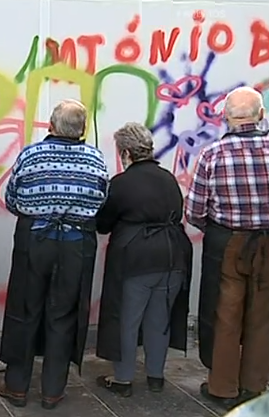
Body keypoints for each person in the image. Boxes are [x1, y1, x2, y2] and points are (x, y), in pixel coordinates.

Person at [0, 100, 108, 410]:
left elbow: (12, 198)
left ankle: (17, 387)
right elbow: (101, 201)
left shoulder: (31, 154)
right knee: (63, 316)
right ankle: (52, 391)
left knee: (25, 310)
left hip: (35, 241)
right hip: (76, 244)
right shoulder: (95, 159)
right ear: (82, 129)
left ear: (52, 125)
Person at [94, 122, 192, 397]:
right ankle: (156, 376)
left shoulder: (122, 183)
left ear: (126, 152)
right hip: (173, 254)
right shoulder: (168, 178)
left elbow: (103, 223)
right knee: (159, 318)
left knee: (127, 318)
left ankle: (123, 379)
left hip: (136, 258)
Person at [186, 86, 269, 410]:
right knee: (262, 314)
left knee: (225, 313)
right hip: (266, 241)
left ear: (226, 118)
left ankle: (222, 387)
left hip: (228, 243)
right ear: (260, 115)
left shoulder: (212, 154)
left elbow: (194, 210)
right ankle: (255, 383)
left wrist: (217, 229)